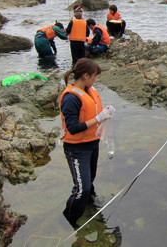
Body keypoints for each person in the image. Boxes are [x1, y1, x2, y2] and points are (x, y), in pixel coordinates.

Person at [59, 58, 116, 227]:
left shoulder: (89, 90)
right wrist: (98, 118)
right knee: (81, 188)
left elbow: (91, 112)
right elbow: (73, 127)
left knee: (89, 179)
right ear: (85, 75)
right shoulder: (71, 98)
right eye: (94, 76)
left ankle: (90, 205)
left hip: (92, 143)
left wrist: (105, 113)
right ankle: (70, 218)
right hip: (76, 148)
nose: (95, 80)